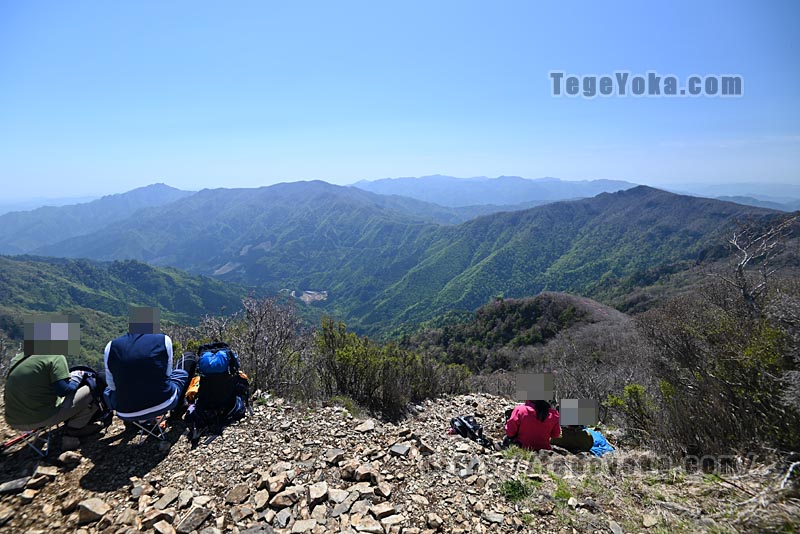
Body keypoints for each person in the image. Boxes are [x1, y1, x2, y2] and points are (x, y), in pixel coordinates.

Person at [4, 315, 102, 437]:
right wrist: (77, 377)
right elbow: (64, 390)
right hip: (38, 419)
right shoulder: (55, 357)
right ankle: (76, 428)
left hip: (13, 420)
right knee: (93, 388)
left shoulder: (21, 356)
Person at [104, 307, 196, 421]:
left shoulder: (111, 346)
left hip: (126, 412)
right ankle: (179, 408)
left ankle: (130, 425)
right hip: (164, 402)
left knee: (108, 389)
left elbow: (112, 386)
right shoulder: (163, 340)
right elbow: (167, 375)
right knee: (184, 366)